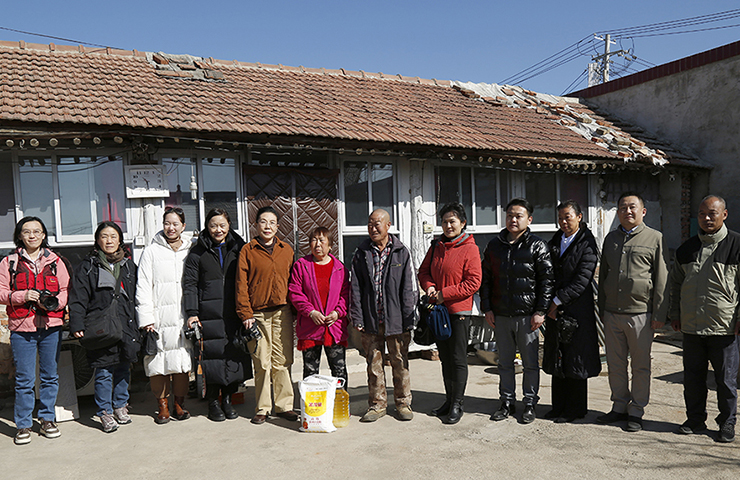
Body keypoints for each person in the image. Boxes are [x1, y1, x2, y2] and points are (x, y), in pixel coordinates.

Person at [669, 195, 739, 443]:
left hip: (724, 327)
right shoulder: (686, 249)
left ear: (724, 215)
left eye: (712, 213)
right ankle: (695, 418)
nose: (707, 218)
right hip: (691, 326)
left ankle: (727, 422)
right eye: (702, 214)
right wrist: (675, 316)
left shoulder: (736, 245)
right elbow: (675, 286)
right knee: (693, 378)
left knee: (726, 381)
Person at [596, 192, 668, 432]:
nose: (628, 211)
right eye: (623, 207)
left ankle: (636, 411)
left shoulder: (654, 238)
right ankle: (619, 407)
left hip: (641, 314)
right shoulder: (611, 239)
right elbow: (604, 275)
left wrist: (659, 315)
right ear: (617, 212)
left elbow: (661, 279)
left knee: (640, 366)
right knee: (615, 364)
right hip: (612, 313)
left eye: (633, 207)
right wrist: (602, 308)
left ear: (643, 211)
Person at [481, 198, 553, 425]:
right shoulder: (494, 246)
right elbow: (486, 280)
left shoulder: (538, 245)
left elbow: (547, 281)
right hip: (501, 314)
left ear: (529, 219)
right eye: (510, 215)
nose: (513, 219)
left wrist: (541, 310)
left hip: (527, 317)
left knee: (530, 363)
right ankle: (506, 402)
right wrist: (487, 309)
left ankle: (530, 403)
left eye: (518, 216)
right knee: (504, 363)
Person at [0, 217, 70, 445]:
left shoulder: (55, 261)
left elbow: (65, 289)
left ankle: (48, 419)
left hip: (51, 326)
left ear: (43, 235)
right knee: (24, 379)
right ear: (19, 235)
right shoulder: (8, 262)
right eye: (26, 231)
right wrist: (22, 296)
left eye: (36, 231)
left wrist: (52, 303)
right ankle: (23, 425)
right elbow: (1, 293)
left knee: (50, 376)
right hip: (22, 328)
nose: (32, 235)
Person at [69, 221, 139, 433]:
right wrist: (77, 323)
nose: (109, 240)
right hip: (101, 326)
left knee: (123, 367)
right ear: (97, 240)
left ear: (120, 240)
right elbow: (78, 298)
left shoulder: (128, 265)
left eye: (113, 236)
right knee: (104, 370)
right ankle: (105, 412)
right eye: (104, 236)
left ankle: (120, 405)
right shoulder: (88, 266)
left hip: (125, 324)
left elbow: (138, 294)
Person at [350, 209, 418, 422]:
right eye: (370, 223)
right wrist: (357, 316)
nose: (373, 228)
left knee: (400, 362)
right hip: (371, 319)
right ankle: (377, 405)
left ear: (389, 225)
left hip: (396, 320)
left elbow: (409, 288)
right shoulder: (361, 253)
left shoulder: (400, 252)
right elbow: (356, 288)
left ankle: (403, 403)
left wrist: (409, 318)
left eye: (377, 223)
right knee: (374, 364)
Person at [183, 208, 250, 422]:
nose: (218, 230)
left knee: (233, 356)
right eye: (213, 225)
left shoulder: (239, 248)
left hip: (234, 310)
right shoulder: (197, 253)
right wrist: (192, 313)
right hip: (208, 312)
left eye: (222, 225)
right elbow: (190, 284)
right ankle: (213, 402)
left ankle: (228, 400)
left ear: (229, 225)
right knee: (212, 359)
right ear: (206, 227)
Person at [418, 203, 482, 424]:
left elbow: (474, 282)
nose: (448, 225)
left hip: (458, 311)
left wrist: (445, 294)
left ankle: (458, 403)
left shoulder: (470, 248)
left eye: (452, 221)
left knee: (457, 358)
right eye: (444, 221)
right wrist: (429, 287)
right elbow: (423, 271)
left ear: (462, 223)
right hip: (438, 310)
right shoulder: (437, 246)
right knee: (444, 358)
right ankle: (448, 399)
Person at [236, 206, 296, 425]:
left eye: (272, 222)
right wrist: (245, 313)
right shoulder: (247, 250)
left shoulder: (286, 250)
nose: (267, 226)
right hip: (257, 315)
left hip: (283, 312)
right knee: (262, 362)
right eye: (263, 221)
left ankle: (284, 405)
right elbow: (241, 285)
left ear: (278, 226)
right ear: (256, 224)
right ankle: (263, 407)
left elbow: (294, 282)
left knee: (282, 360)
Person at [543, 201, 601, 423]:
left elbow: (582, 280)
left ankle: (575, 409)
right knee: (558, 357)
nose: (564, 222)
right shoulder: (556, 239)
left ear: (579, 217)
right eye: (560, 218)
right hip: (555, 310)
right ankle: (558, 406)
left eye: (568, 217)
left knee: (576, 359)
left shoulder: (587, 242)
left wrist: (557, 300)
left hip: (577, 310)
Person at [136, 207, 193, 424]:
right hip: (158, 317)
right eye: (167, 223)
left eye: (175, 224)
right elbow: (143, 286)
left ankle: (179, 404)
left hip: (182, 316)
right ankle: (162, 406)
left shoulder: (190, 249)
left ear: (183, 226)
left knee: (181, 361)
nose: (171, 228)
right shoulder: (151, 252)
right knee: (157, 363)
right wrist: (146, 318)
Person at [288, 226, 350, 385]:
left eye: (322, 240)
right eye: (314, 240)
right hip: (310, 326)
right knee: (310, 371)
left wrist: (337, 313)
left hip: (334, 326)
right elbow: (295, 292)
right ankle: (312, 408)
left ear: (330, 245)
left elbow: (345, 294)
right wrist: (310, 312)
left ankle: (339, 406)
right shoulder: (301, 265)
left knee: (339, 369)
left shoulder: (340, 268)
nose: (317, 244)